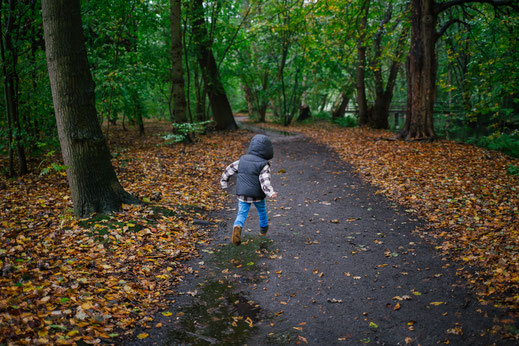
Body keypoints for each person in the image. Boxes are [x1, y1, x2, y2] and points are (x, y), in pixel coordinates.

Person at [220, 134, 278, 245]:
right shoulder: (264, 164)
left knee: (241, 213)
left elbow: (229, 170)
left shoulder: (242, 160)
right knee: (262, 212)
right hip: (257, 195)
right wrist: (270, 192)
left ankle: (237, 227)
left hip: (242, 194)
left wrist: (224, 183)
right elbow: (264, 181)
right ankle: (263, 230)